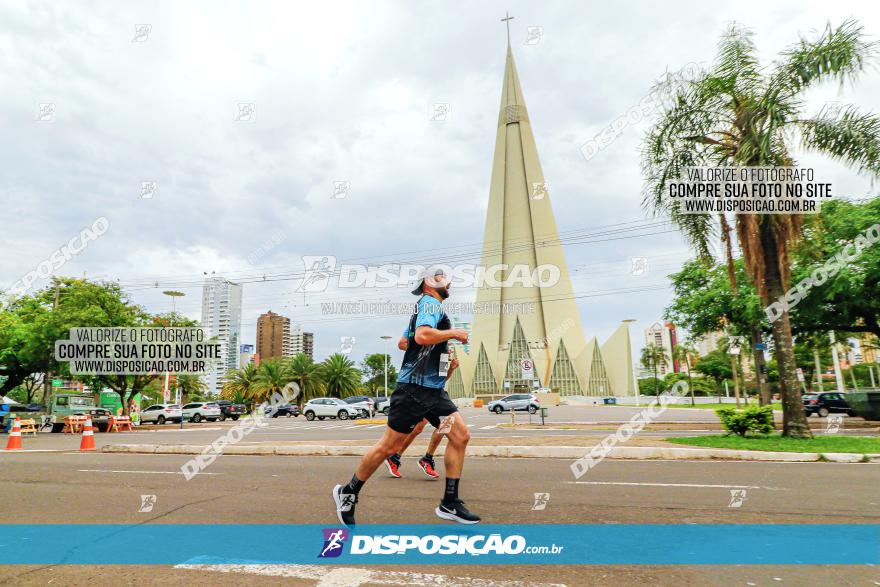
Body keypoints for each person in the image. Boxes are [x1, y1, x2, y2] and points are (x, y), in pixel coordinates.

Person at [332, 267, 479, 525]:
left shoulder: (428, 308)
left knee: (460, 435)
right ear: (427, 284)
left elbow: (405, 342)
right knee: (389, 446)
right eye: (441, 278)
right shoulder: (430, 304)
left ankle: (450, 502)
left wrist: (442, 360)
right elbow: (422, 336)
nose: (449, 282)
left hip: (433, 390)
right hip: (413, 390)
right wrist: (453, 333)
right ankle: (349, 491)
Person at [384, 332, 446, 480]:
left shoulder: (445, 353)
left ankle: (426, 458)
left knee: (445, 424)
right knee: (415, 428)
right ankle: (395, 457)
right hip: (417, 390)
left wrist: (451, 368)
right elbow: (402, 344)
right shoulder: (423, 341)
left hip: (435, 393)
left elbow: (444, 378)